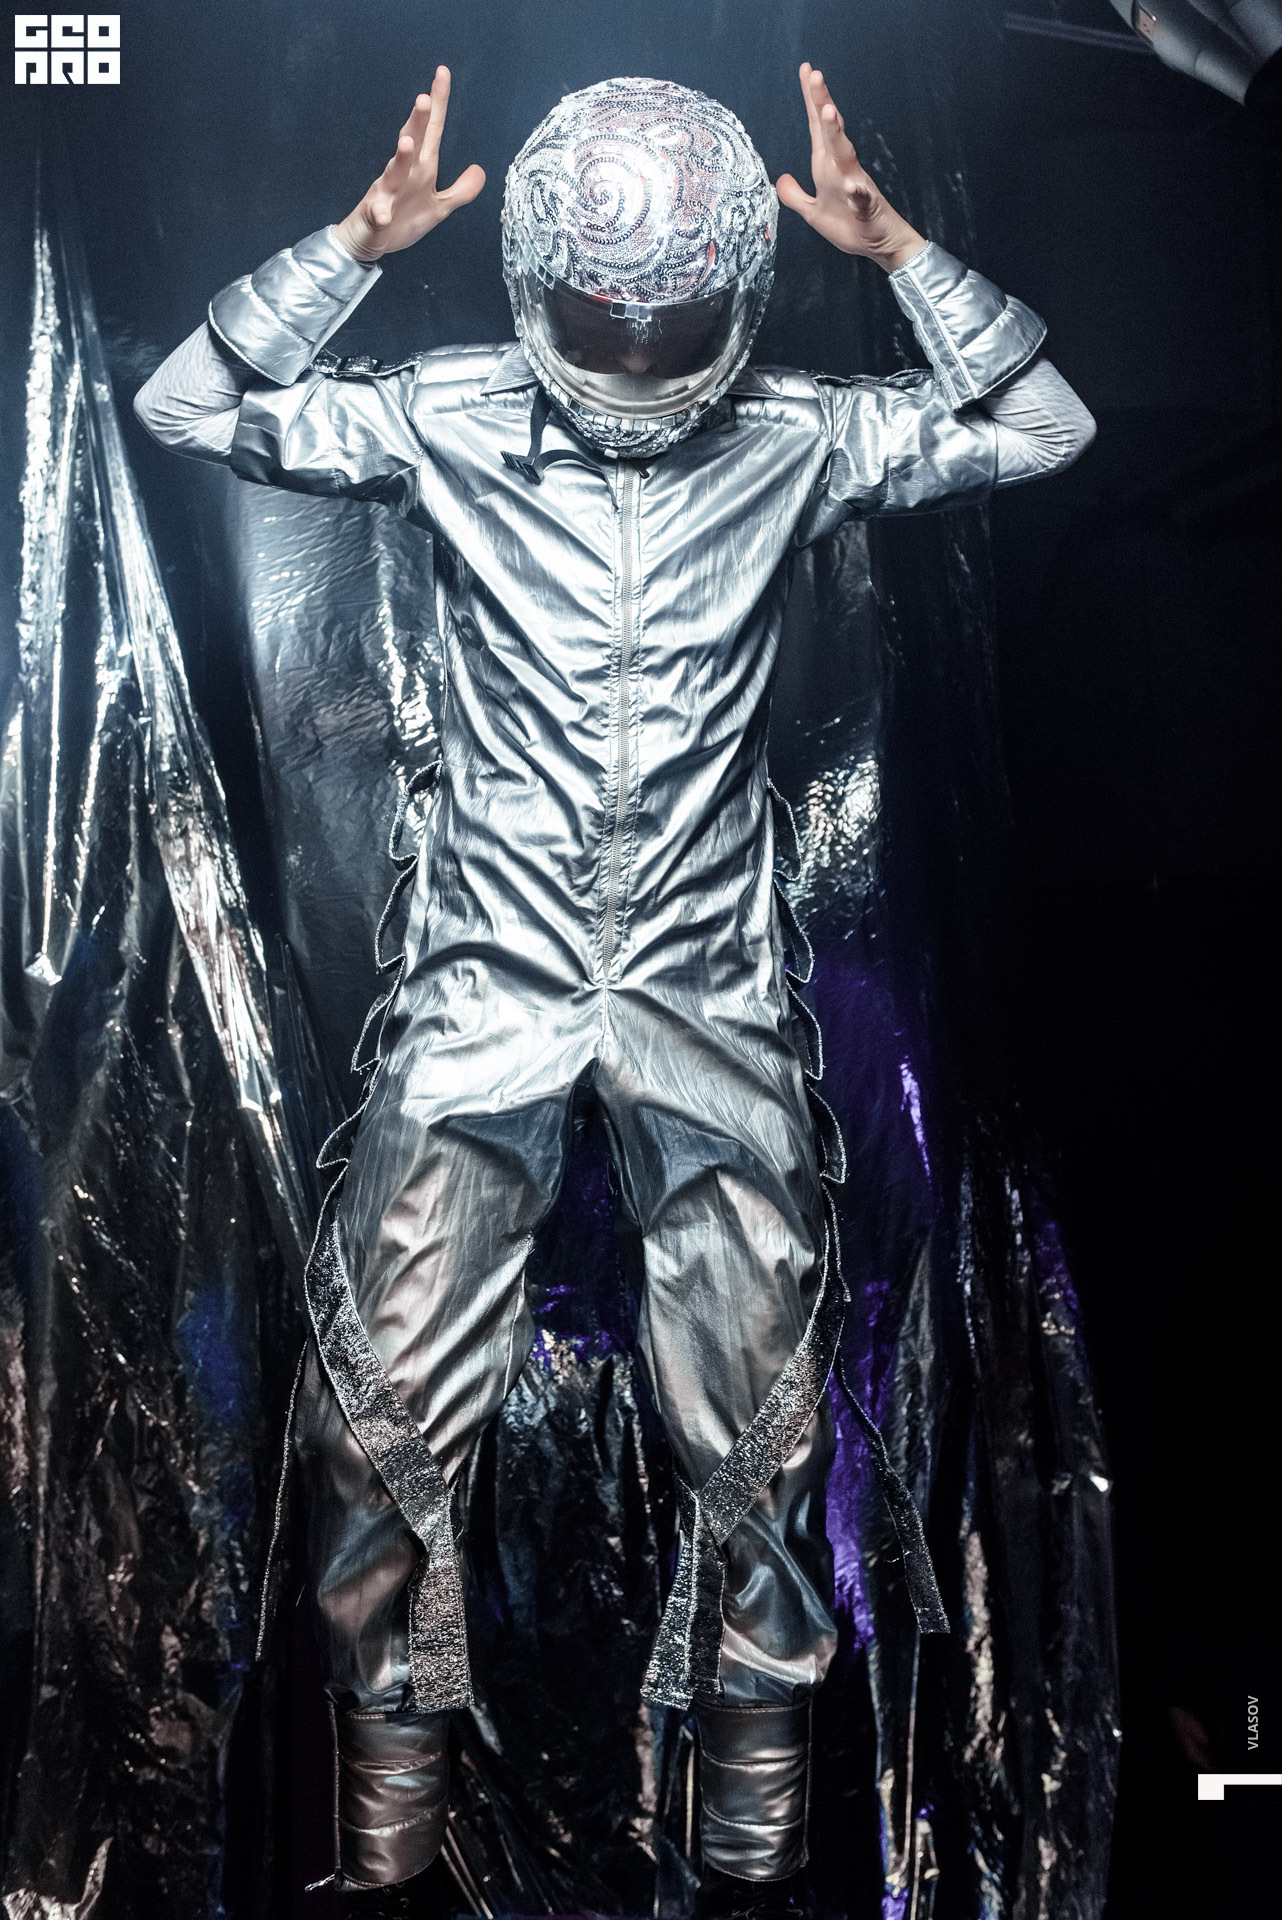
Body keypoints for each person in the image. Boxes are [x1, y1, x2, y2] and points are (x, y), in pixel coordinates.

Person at [135, 61, 1095, 1912]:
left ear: (730, 301)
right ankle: (385, 1860)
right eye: (597, 322)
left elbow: (1042, 427)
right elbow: (186, 402)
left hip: (702, 984)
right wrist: (351, 247)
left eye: (663, 328)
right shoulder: (446, 413)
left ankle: (748, 1863)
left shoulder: (795, 436)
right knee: (376, 1408)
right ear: (533, 291)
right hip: (487, 974)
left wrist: (898, 251)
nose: (632, 361)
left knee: (762, 1417)